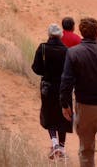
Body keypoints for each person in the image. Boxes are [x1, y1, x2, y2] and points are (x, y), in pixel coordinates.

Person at [60, 17, 97, 166]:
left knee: (86, 150)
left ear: (81, 32)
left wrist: (65, 104)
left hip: (85, 107)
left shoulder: (73, 53)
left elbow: (66, 81)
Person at [32, 23, 73, 160]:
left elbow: (36, 69)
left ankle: (54, 144)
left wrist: (47, 72)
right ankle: (61, 147)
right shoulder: (67, 51)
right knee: (63, 114)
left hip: (48, 87)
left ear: (49, 34)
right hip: (63, 87)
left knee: (49, 113)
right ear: (60, 35)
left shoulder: (43, 48)